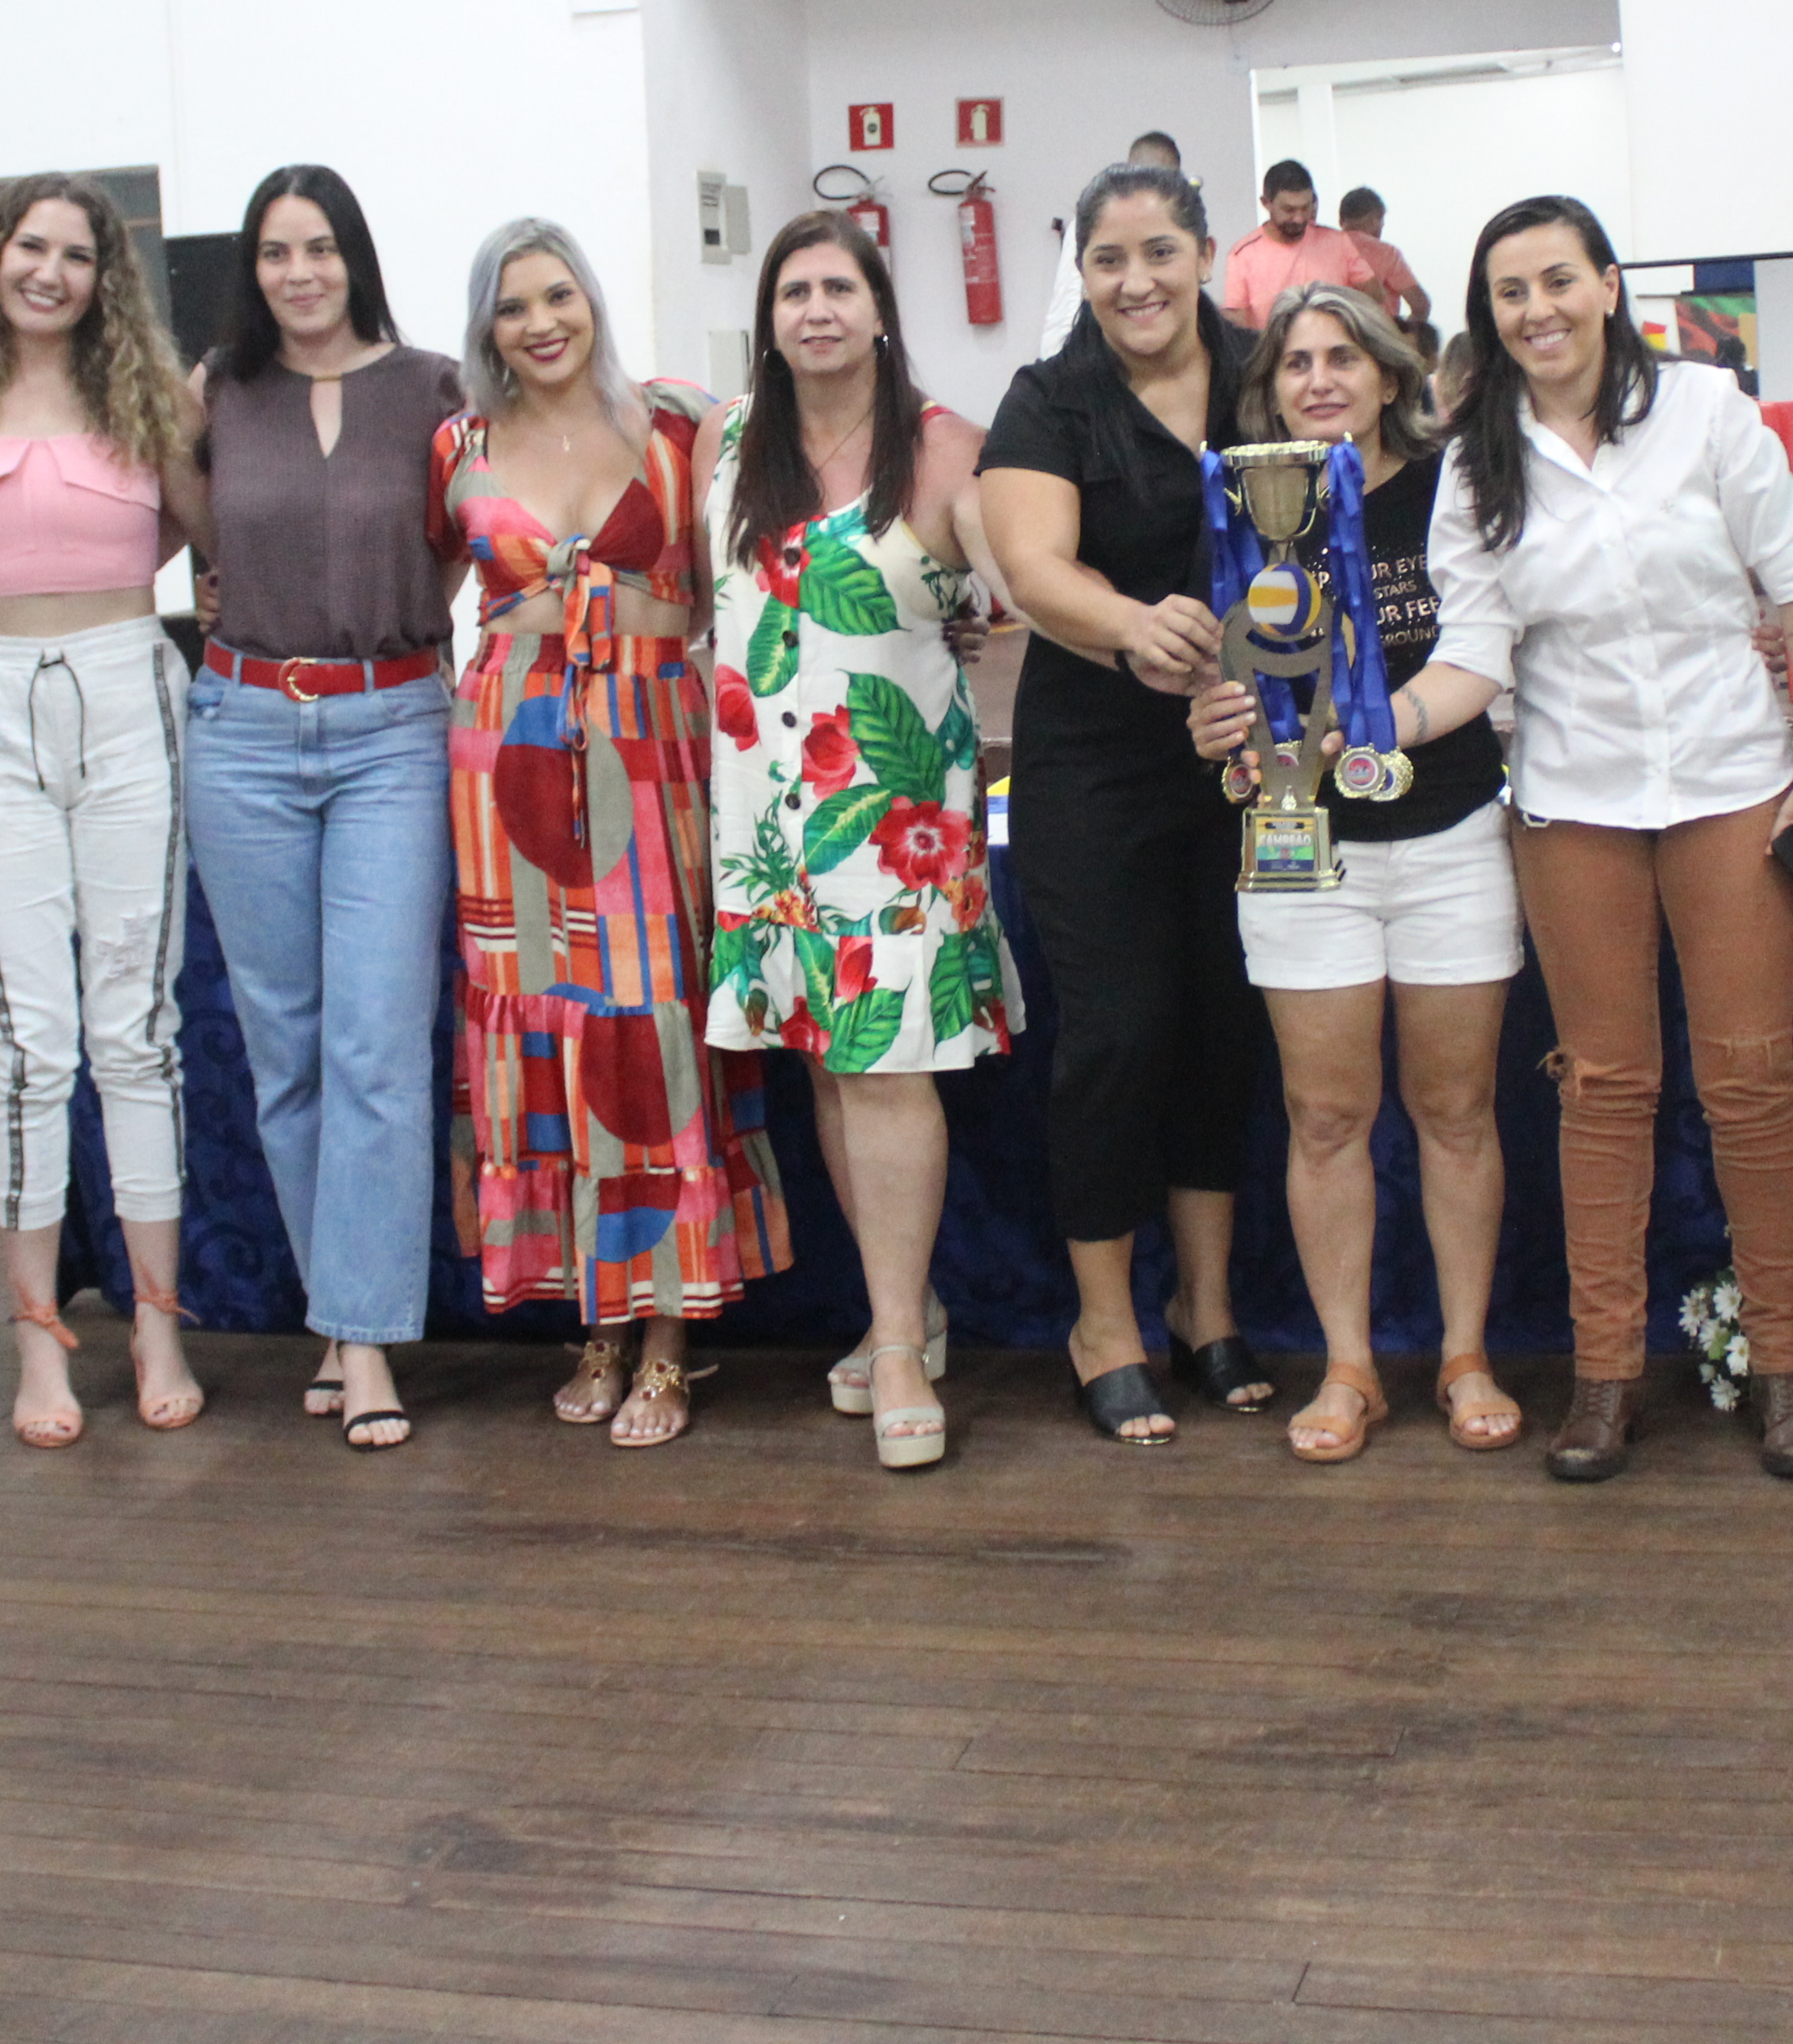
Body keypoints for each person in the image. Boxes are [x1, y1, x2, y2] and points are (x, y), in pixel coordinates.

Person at [1383, 199, 1793, 1483]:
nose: (1537, 311)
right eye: (1509, 293)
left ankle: (1787, 1376)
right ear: (1489, 317)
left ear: (1607, 285)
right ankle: (1604, 1380)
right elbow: (1473, 655)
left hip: (1731, 783)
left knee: (1752, 1083)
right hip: (1574, 801)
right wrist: (1371, 726)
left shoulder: (1706, 411)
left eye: (1557, 281)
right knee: (1604, 1091)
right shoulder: (1479, 462)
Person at [438, 219, 790, 1447]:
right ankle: (593, 1314)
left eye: (558, 295)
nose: (539, 322)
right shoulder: (460, 444)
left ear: (591, 299)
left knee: (649, 1028)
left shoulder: (683, 423)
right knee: (544, 1030)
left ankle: (668, 1335)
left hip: (650, 741)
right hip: (508, 756)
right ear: (485, 325)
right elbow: (415, 588)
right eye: (512, 306)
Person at [1181, 284, 1522, 1464]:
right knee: (1326, 1117)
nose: (1319, 378)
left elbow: (1485, 651)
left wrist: (1371, 730)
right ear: (1267, 389)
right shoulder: (1242, 508)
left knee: (1457, 1111)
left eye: (1342, 358)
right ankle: (1351, 1368)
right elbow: (1224, 675)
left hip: (1451, 836)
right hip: (1298, 856)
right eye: (1294, 364)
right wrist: (1216, 719)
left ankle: (1465, 1353)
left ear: (1389, 375)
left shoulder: (1459, 490)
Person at [704, 211, 1019, 1470]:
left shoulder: (946, 451)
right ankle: (912, 1313)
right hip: (769, 825)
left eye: (840, 286)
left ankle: (893, 1343)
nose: (817, 309)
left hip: (898, 823)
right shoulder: (727, 451)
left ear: (881, 310)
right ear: (769, 322)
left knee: (887, 1068)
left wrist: (979, 637)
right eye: (795, 291)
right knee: (832, 1069)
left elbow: (1020, 597)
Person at [979, 163, 1277, 1446]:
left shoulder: (1269, 370)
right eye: (1109, 260)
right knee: (1117, 1034)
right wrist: (1131, 627)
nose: (1137, 281)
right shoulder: (1050, 399)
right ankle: (1105, 1320)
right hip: (1093, 765)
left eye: (1160, 252)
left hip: (1254, 759)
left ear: (1205, 254)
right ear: (1082, 273)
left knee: (1223, 1025)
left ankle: (1207, 1312)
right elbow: (1034, 568)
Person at [0, 175, 207, 1451]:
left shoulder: (153, 399)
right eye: (29, 247)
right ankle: (39, 1342)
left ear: (106, 276)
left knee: (135, 1025)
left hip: (128, 685)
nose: (50, 271)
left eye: (77, 254)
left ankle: (155, 1318)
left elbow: (219, 540)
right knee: (30, 1040)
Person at [186, 166, 465, 1449]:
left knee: (374, 1046)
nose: (298, 273)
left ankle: (365, 1345)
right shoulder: (215, 392)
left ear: (354, 255)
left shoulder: (432, 388)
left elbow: (475, 536)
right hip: (239, 726)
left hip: (392, 728)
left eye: (318, 248)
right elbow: (167, 530)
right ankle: (340, 1313)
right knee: (285, 1051)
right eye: (274, 252)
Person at [1221, 160, 1381, 329]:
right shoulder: (1243, 254)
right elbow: (1235, 323)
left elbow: (1374, 295)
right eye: (1289, 210)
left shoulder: (1337, 242)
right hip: (1274, 352)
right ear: (1266, 203)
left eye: (1305, 208)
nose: (1298, 218)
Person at [1337, 187, 1434, 347]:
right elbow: (1421, 304)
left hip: (1335, 342)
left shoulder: (1323, 250)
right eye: (1381, 220)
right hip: (1377, 344)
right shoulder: (1387, 253)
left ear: (1342, 221)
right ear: (1373, 219)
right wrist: (1399, 340)